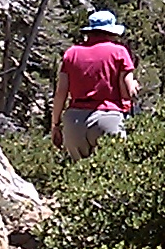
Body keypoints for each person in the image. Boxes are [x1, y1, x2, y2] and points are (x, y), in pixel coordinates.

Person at [51, 9, 139, 159]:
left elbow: (61, 93)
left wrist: (55, 124)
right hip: (108, 118)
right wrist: (135, 86)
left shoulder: (71, 53)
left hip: (74, 121)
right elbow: (128, 92)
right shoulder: (119, 52)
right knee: (114, 174)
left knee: (80, 174)